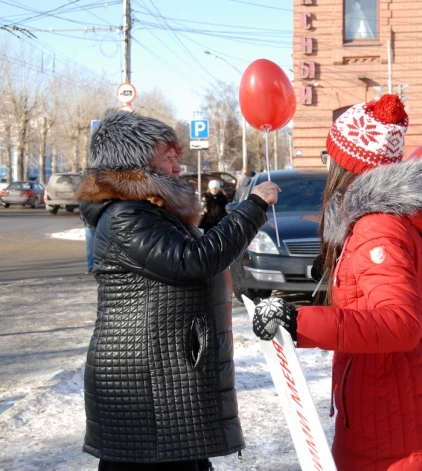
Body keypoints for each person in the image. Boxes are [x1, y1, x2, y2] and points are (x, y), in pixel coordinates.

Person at [252, 95, 422, 470]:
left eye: (327, 156)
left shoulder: (378, 227)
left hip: (391, 420)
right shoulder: (406, 218)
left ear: (346, 166)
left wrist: (296, 321)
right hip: (409, 403)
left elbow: (399, 323)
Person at [75, 110, 280, 471]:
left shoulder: (148, 213)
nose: (176, 168)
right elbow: (193, 260)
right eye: (167, 159)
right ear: (135, 163)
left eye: (175, 158)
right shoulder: (127, 216)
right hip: (142, 382)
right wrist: (254, 208)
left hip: (161, 372)